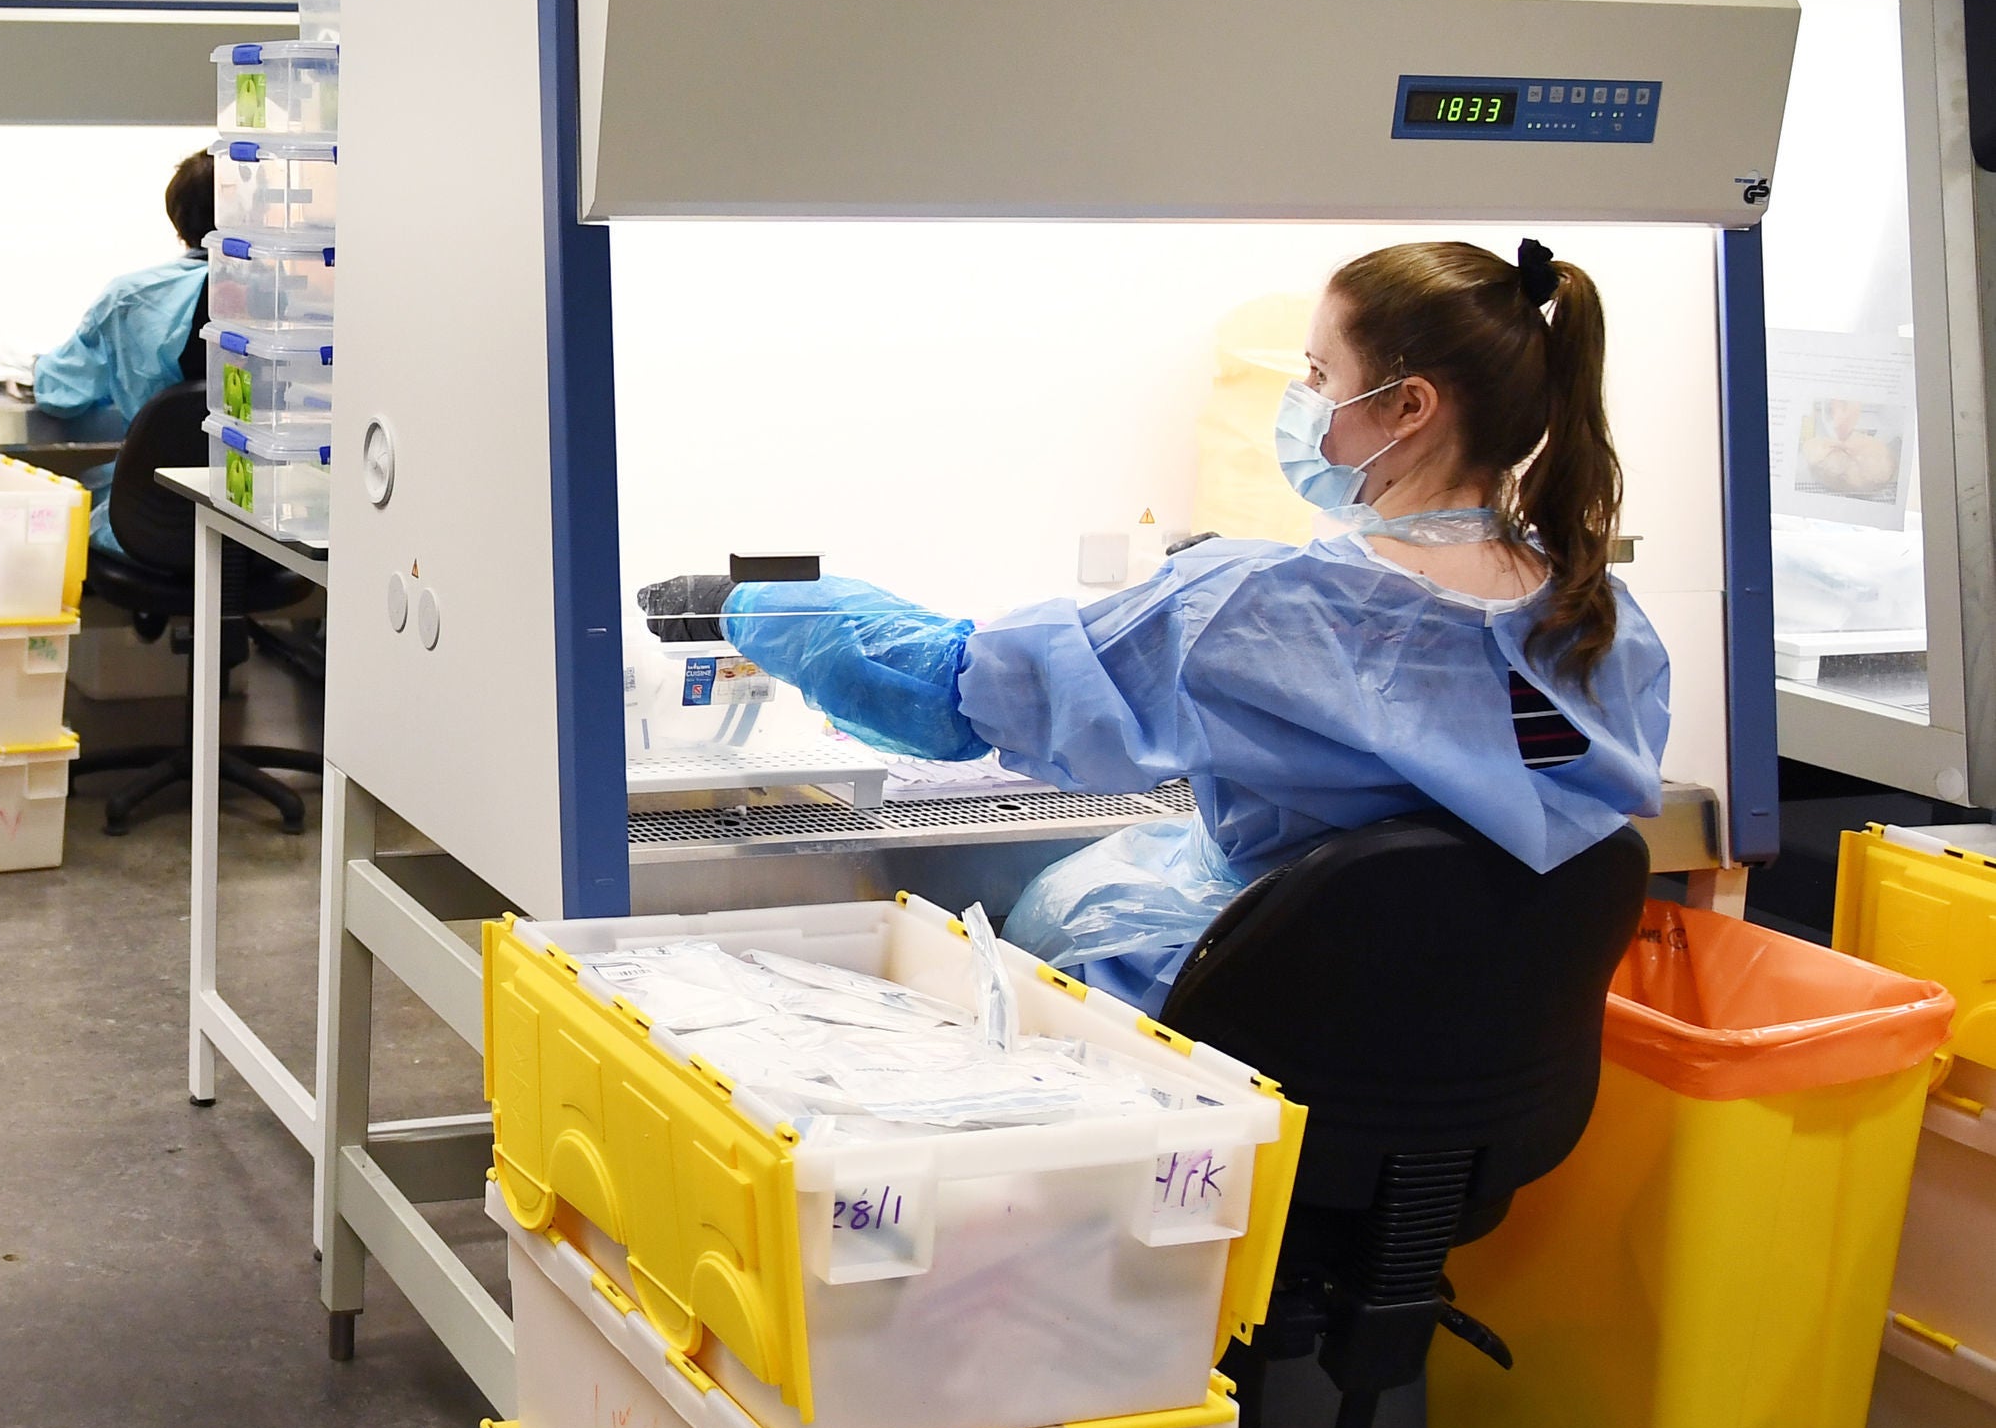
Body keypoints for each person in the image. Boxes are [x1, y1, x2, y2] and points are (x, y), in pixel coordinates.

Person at [643, 239, 1669, 1012]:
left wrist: (750, 605)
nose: (1301, 402)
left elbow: (941, 690)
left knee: (1015, 942)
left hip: (1267, 1040)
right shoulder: (1604, 622)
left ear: (1406, 408)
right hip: (1455, 1049)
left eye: (1318, 376)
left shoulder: (1255, 605)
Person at [31, 149, 212, 552]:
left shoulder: (130, 297)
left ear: (178, 221)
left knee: (72, 505)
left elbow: (59, 394)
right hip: (264, 533)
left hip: (155, 521)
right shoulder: (285, 297)